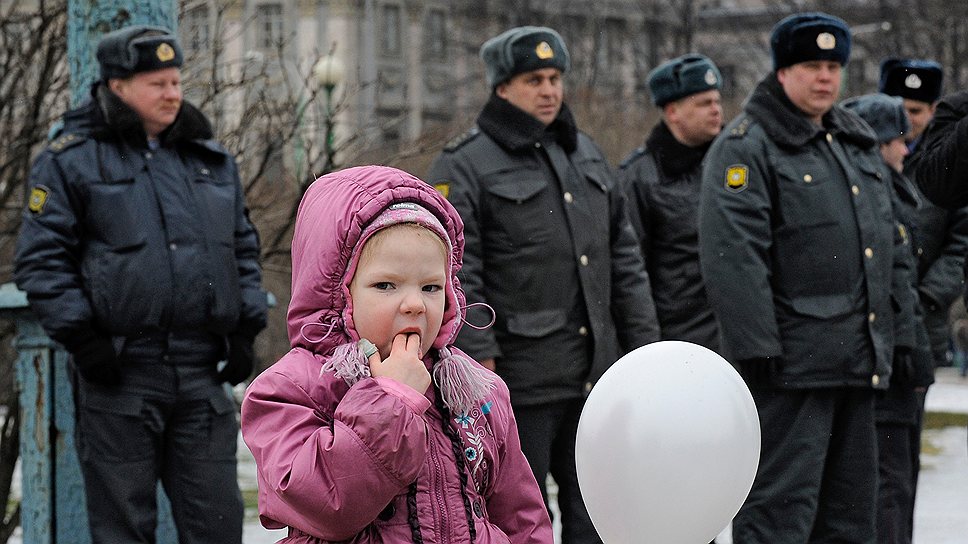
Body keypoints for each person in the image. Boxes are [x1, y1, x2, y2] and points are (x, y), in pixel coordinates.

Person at [13, 26, 267, 543]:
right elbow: (41, 261)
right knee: (123, 528)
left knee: (217, 523)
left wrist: (245, 330)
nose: (173, 93)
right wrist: (84, 340)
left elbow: (242, 249)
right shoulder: (69, 160)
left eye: (176, 81)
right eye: (158, 83)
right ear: (117, 86)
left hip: (201, 371)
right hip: (121, 374)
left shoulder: (210, 161)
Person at [426, 26, 660, 543]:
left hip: (597, 379)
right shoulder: (465, 164)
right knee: (520, 519)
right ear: (502, 88)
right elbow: (457, 271)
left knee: (599, 513)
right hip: (518, 381)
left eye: (555, 78)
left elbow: (624, 262)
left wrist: (644, 353)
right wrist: (478, 357)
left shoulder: (588, 156)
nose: (550, 90)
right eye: (535, 79)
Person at [241, 165, 554, 543]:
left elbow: (522, 518)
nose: (414, 304)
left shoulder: (475, 390)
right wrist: (391, 401)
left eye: (431, 287)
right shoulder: (293, 389)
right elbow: (328, 506)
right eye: (386, 285)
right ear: (337, 292)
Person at [698, 13, 917, 543]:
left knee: (850, 518)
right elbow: (734, 255)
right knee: (779, 516)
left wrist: (899, 337)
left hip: (855, 363)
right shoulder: (747, 146)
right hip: (790, 371)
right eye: (812, 66)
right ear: (782, 72)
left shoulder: (850, 142)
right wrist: (759, 351)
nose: (825, 77)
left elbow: (887, 248)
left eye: (834, 66)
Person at [842, 93, 936, 544]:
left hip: (893, 361)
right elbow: (894, 290)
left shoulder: (890, 191)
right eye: (898, 140)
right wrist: (910, 353)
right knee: (888, 486)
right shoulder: (878, 196)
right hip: (887, 366)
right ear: (876, 144)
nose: (906, 150)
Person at [619, 53, 723, 351]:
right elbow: (630, 266)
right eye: (704, 103)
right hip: (678, 338)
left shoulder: (734, 164)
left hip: (733, 339)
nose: (716, 110)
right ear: (673, 111)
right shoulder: (640, 176)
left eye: (717, 101)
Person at [880, 58, 968, 371]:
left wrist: (928, 296)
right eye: (897, 106)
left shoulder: (945, 162)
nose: (904, 118)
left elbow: (960, 243)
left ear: (932, 112)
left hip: (924, 316)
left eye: (915, 110)